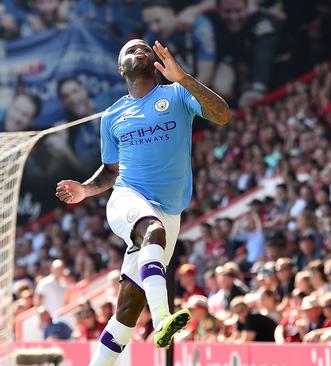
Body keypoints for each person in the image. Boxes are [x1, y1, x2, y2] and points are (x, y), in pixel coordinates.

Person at [55, 38, 230, 365]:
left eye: (145, 48)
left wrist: (185, 79)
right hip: (128, 197)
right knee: (152, 230)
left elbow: (222, 115)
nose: (140, 49)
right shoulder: (112, 116)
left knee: (128, 309)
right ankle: (163, 316)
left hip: (170, 210)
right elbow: (110, 171)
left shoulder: (177, 94)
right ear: (122, 68)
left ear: (155, 62)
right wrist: (85, 190)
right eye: (130, 50)